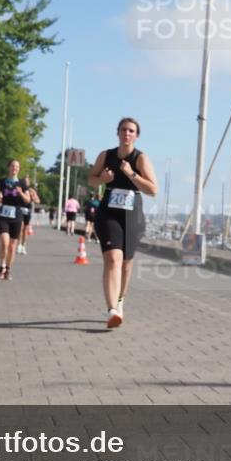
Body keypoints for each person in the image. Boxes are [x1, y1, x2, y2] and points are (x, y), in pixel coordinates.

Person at [88, 117, 158, 329]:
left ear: (136, 135)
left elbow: (153, 190)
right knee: (113, 259)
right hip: (108, 212)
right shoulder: (106, 155)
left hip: (132, 214)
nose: (127, 134)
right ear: (117, 133)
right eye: (123, 130)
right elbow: (91, 179)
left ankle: (119, 301)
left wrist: (131, 174)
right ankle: (111, 310)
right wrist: (103, 179)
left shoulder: (140, 158)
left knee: (126, 263)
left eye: (131, 131)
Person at [0, 160, 31, 280]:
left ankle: (8, 269)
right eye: (13, 166)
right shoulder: (1, 182)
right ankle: (2, 266)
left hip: (16, 214)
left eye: (17, 166)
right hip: (3, 214)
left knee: (12, 245)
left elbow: (27, 200)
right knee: (4, 242)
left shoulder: (22, 183)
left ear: (19, 169)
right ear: (8, 167)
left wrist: (20, 193)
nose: (15, 168)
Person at [17, 176, 40, 255]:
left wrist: (33, 198)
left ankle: (24, 245)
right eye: (24, 181)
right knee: (20, 227)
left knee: (25, 230)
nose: (25, 183)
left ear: (29, 183)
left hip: (27, 211)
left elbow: (38, 201)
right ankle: (19, 245)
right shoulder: (19, 189)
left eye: (27, 182)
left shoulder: (31, 190)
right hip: (19, 209)